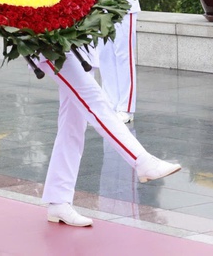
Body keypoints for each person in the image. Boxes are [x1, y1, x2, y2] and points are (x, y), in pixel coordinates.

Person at [37, 52, 181, 227]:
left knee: (72, 124)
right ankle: (141, 160)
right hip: (50, 45)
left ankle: (58, 199)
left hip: (77, 45)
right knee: (96, 102)